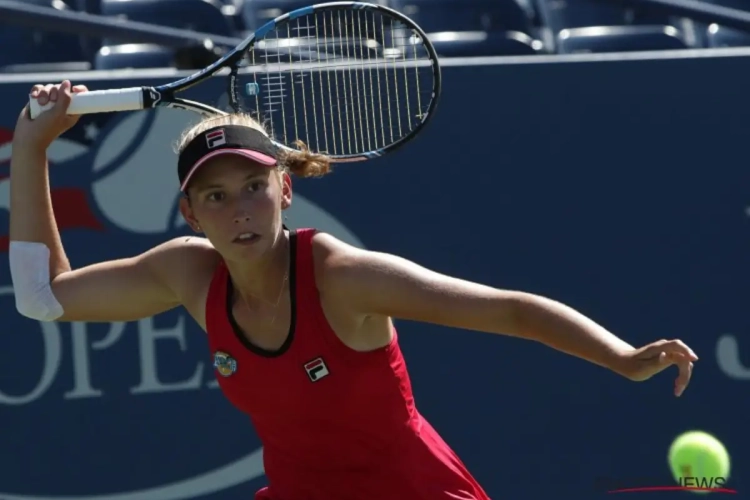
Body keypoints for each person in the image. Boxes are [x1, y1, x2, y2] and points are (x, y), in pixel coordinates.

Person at [9, 81, 698, 500]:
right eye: (216, 197)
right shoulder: (187, 274)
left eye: (254, 186)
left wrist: (623, 357)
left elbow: (511, 310)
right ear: (191, 215)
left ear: (285, 188)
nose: (240, 209)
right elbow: (44, 296)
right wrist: (33, 147)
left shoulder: (343, 277)